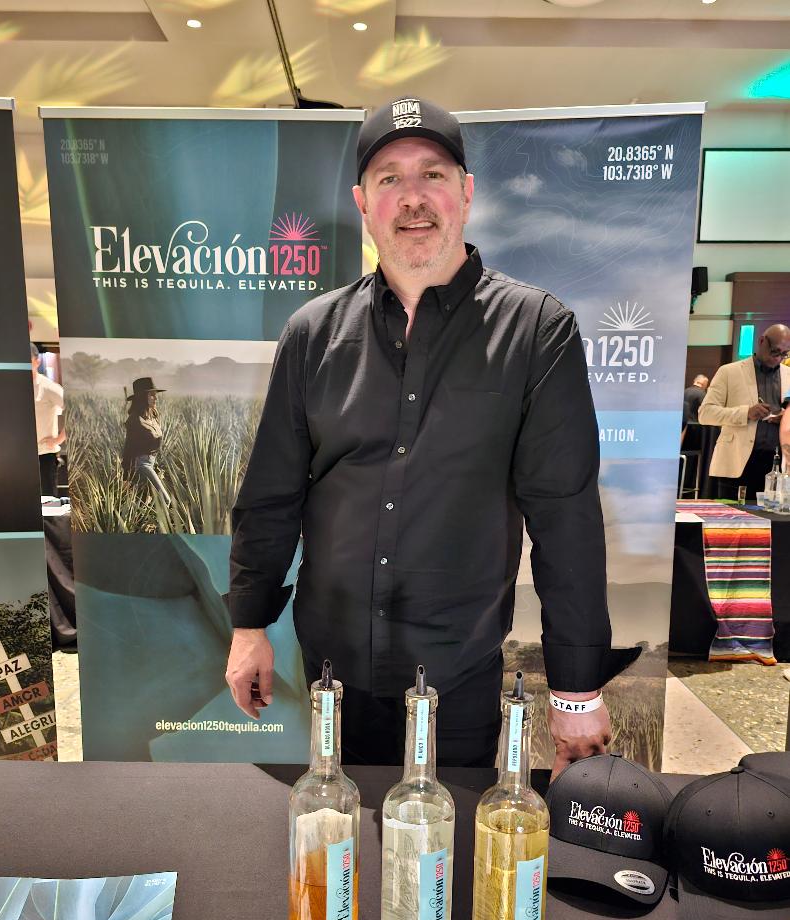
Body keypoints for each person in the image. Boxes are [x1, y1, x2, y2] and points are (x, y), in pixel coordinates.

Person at [227, 98, 638, 776]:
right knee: (340, 830)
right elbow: (271, 495)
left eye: (434, 175)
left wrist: (577, 689)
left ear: (466, 193)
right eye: (389, 178)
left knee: (455, 839)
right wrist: (249, 626)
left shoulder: (536, 331)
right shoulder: (312, 334)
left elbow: (565, 520)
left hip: (458, 676)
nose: (413, 197)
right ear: (364, 202)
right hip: (333, 672)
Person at [699, 324, 790, 500]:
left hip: (778, 468)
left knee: (773, 518)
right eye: (775, 351)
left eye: (784, 354)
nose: (779, 358)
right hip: (737, 464)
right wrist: (745, 413)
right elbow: (705, 413)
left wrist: (785, 418)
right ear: (762, 341)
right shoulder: (729, 372)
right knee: (730, 517)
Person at [121, 376, 172, 508]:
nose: (156, 398)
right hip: (141, 465)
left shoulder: (153, 417)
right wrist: (125, 476)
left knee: (143, 503)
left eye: (155, 395)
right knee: (165, 500)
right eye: (152, 395)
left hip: (151, 464)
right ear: (143, 397)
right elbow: (128, 448)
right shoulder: (135, 420)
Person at [31, 343, 65, 497]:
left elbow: (76, 414)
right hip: (19, 457)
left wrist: (58, 440)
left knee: (48, 501)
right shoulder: (14, 388)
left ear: (37, 361)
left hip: (44, 456)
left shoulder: (48, 387)